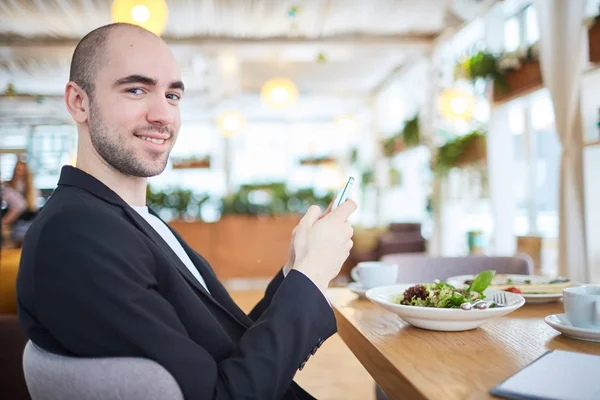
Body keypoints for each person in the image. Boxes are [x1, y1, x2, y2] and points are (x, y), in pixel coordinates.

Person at [16, 23, 356, 400]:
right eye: (136, 89)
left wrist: (296, 272)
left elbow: (229, 346)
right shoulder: (75, 236)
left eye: (173, 95)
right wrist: (310, 277)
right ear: (79, 102)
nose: (163, 114)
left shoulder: (127, 218)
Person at [1, 159, 40, 246]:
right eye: (17, 170)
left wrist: (3, 222)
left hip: (23, 225)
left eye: (21, 170)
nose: (19, 173)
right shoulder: (8, 187)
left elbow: (20, 207)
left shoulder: (31, 189)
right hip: (23, 226)